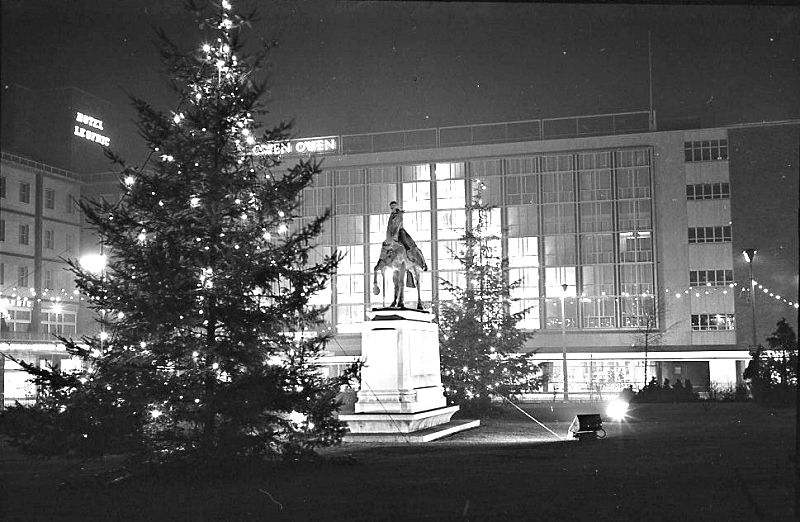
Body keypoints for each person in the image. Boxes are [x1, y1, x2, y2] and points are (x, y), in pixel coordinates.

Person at [386, 201, 427, 270]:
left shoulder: (397, 213)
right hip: (395, 234)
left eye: (394, 206)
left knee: (409, 246)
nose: (392, 208)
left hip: (399, 232)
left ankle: (410, 254)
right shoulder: (393, 215)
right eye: (391, 206)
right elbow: (390, 226)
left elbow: (397, 224)